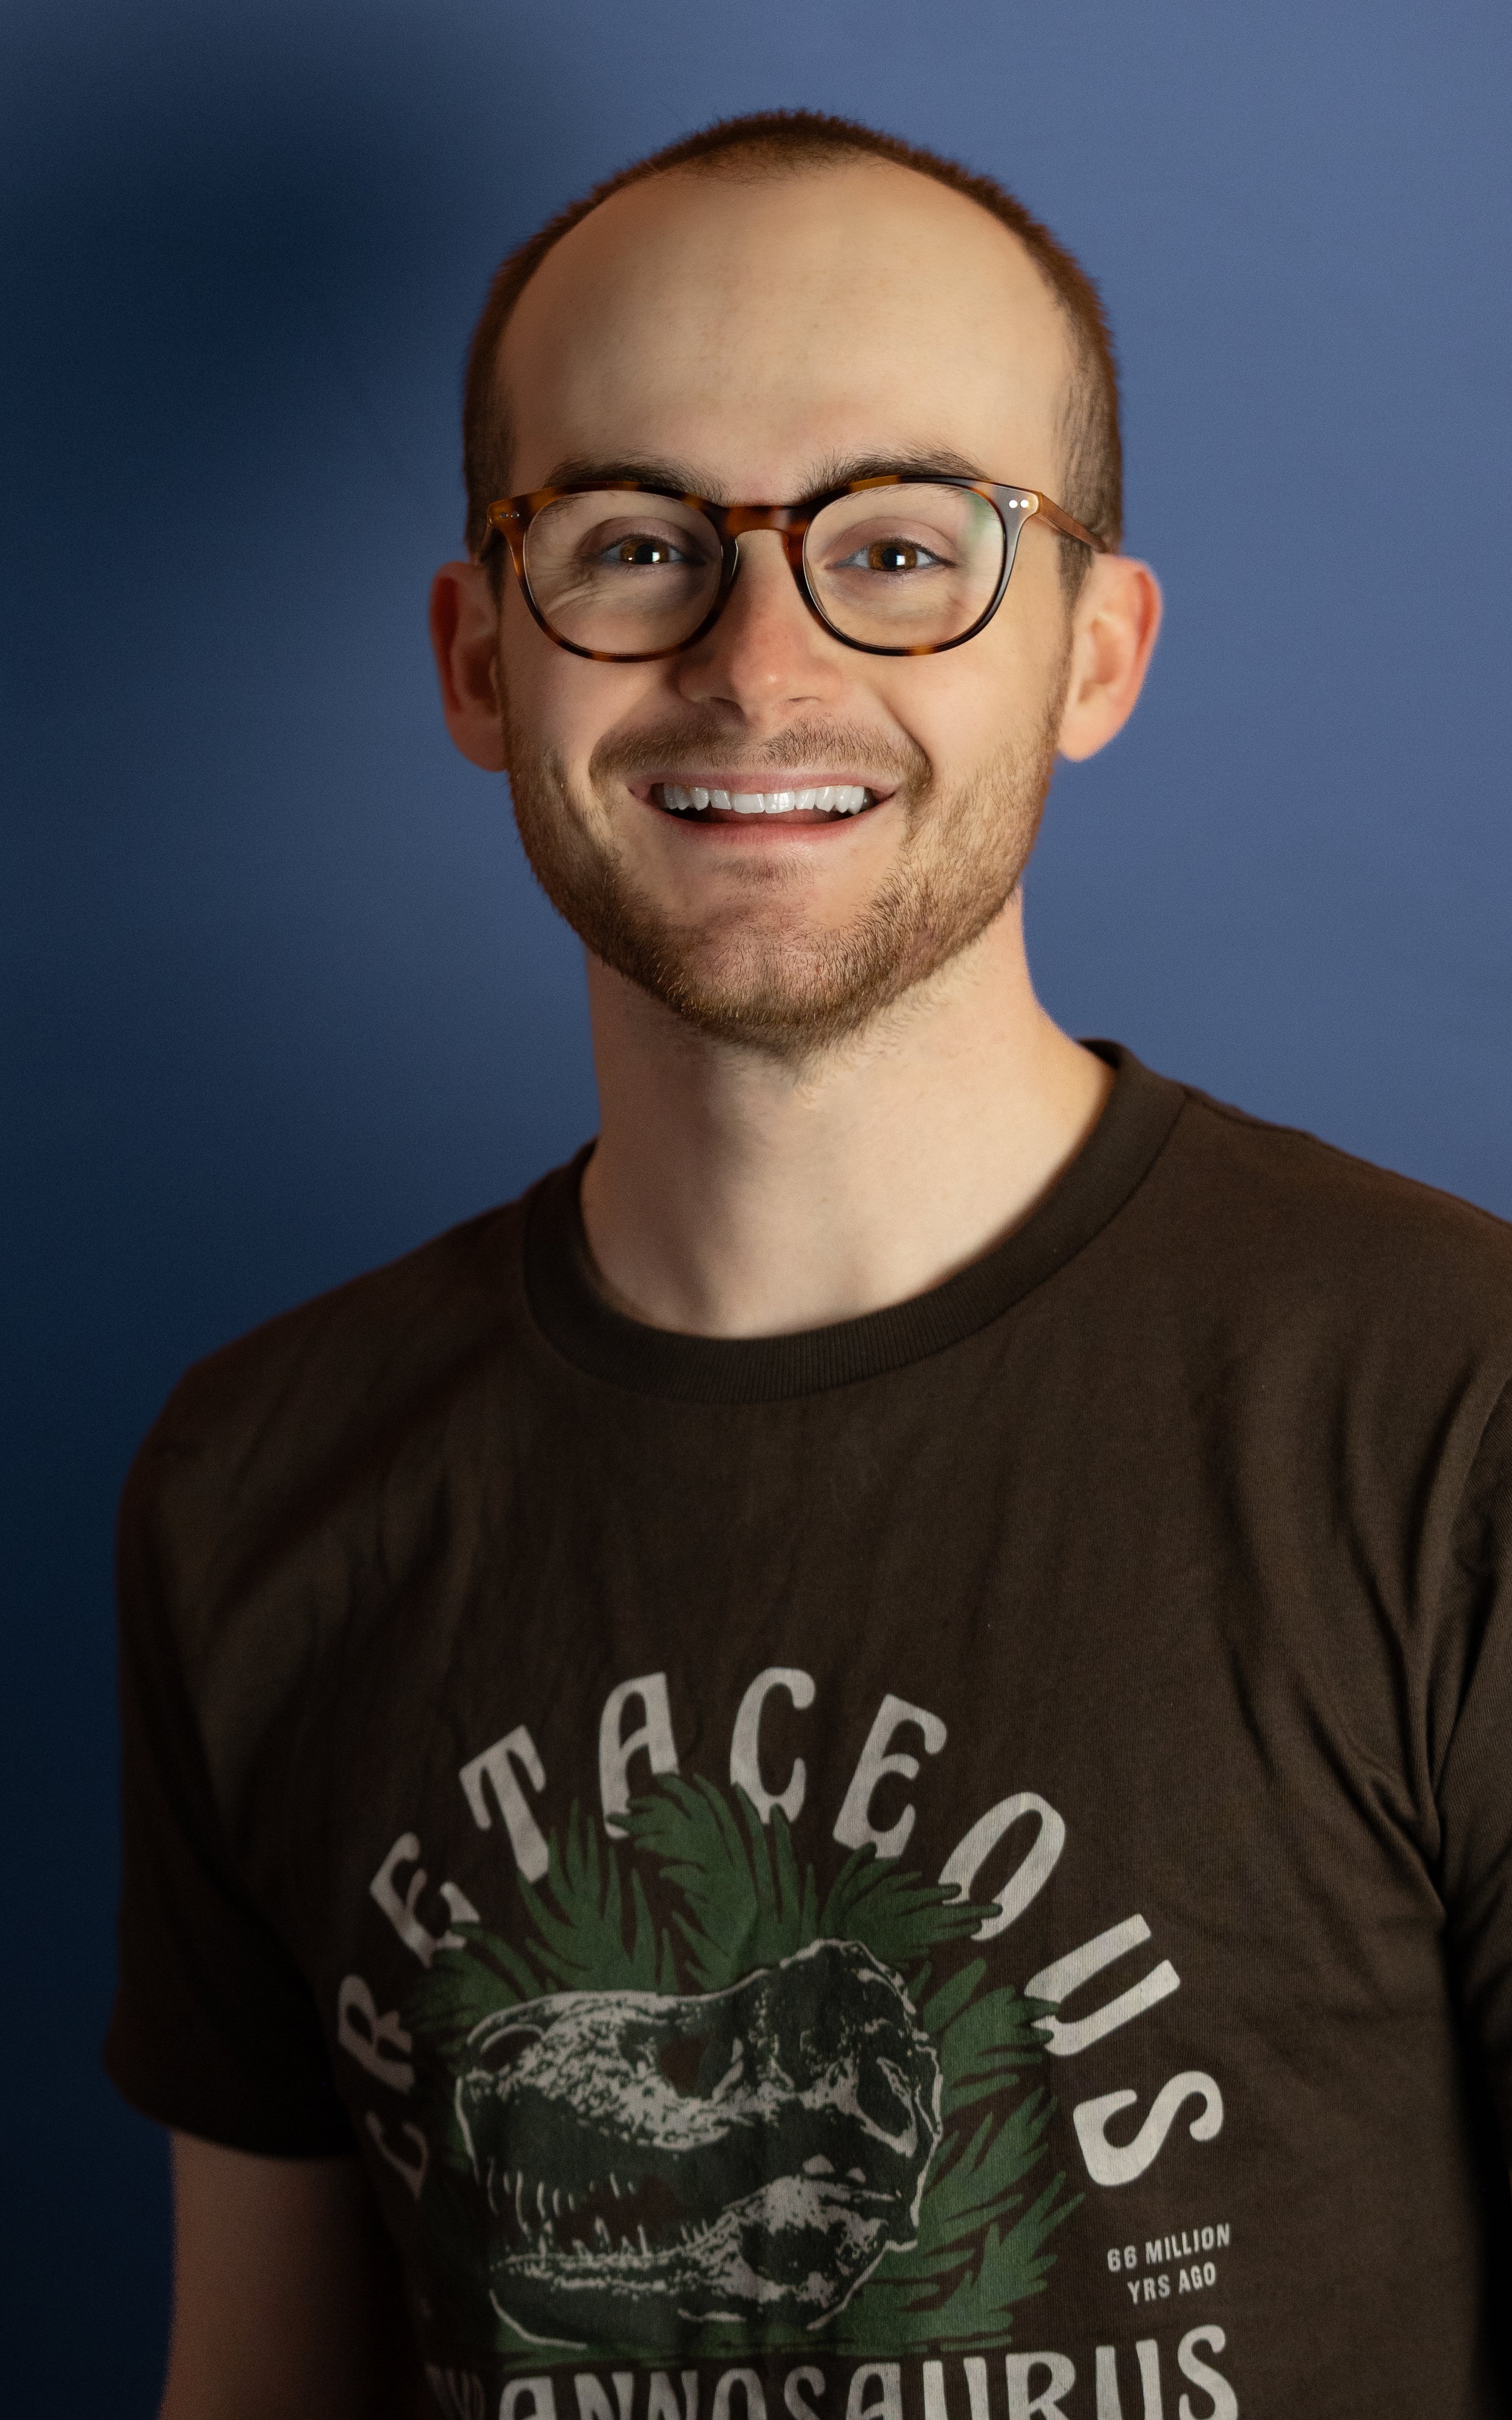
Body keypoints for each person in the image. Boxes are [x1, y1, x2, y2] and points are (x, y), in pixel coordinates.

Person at [105, 109, 1512, 2420]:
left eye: (898, 543)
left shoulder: (1446, 1414)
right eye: (637, 541)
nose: (761, 662)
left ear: (1094, 648)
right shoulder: (257, 1482)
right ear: (482, 661)